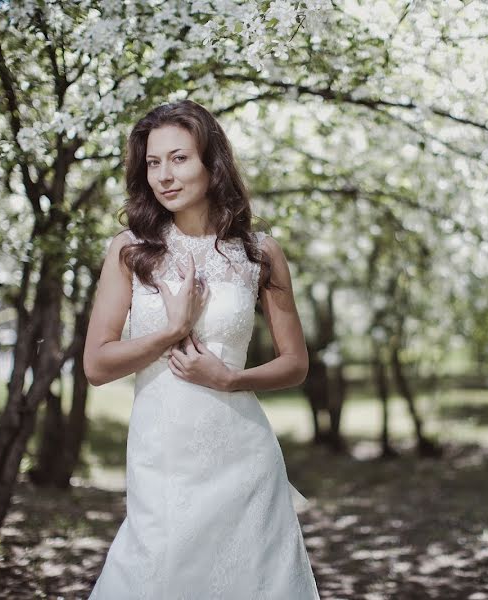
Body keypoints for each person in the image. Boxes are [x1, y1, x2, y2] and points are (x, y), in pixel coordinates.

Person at [82, 99, 321, 599]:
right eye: (153, 162)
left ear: (212, 165)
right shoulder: (129, 250)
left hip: (242, 456)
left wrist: (231, 378)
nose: (163, 175)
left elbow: (295, 363)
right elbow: (97, 365)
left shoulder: (260, 252)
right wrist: (169, 333)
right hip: (161, 455)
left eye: (179, 158)